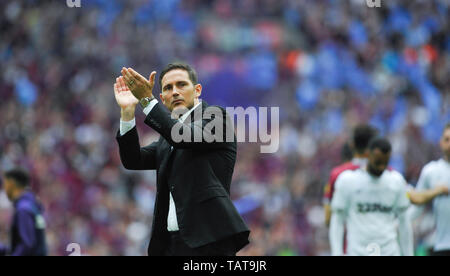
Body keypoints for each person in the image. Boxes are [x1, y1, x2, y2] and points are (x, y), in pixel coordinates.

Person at [114, 63, 250, 256]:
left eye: (181, 85)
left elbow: (184, 136)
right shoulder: (166, 139)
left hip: (208, 241)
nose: (175, 91)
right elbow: (133, 160)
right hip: (172, 243)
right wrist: (127, 112)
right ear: (162, 98)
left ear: (197, 90)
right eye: (168, 88)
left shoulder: (217, 117)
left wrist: (146, 100)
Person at [329, 137, 413, 256]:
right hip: (357, 252)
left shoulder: (396, 181)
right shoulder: (347, 181)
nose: (381, 167)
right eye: (378, 162)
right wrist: (336, 253)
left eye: (385, 163)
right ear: (368, 155)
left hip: (389, 252)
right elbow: (337, 220)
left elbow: (404, 222)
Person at [324, 125, 378, 227]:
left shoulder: (337, 174)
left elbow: (328, 218)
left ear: (352, 144)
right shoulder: (389, 174)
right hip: (380, 238)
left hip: (349, 240)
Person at [410, 123, 450, 256]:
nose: (449, 144)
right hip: (441, 246)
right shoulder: (431, 171)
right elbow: (417, 205)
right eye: (447, 139)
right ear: (440, 142)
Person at [0, 169, 47, 256]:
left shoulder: (23, 209)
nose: (4, 189)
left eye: (5, 184)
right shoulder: (32, 205)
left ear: (11, 183)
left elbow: (27, 245)